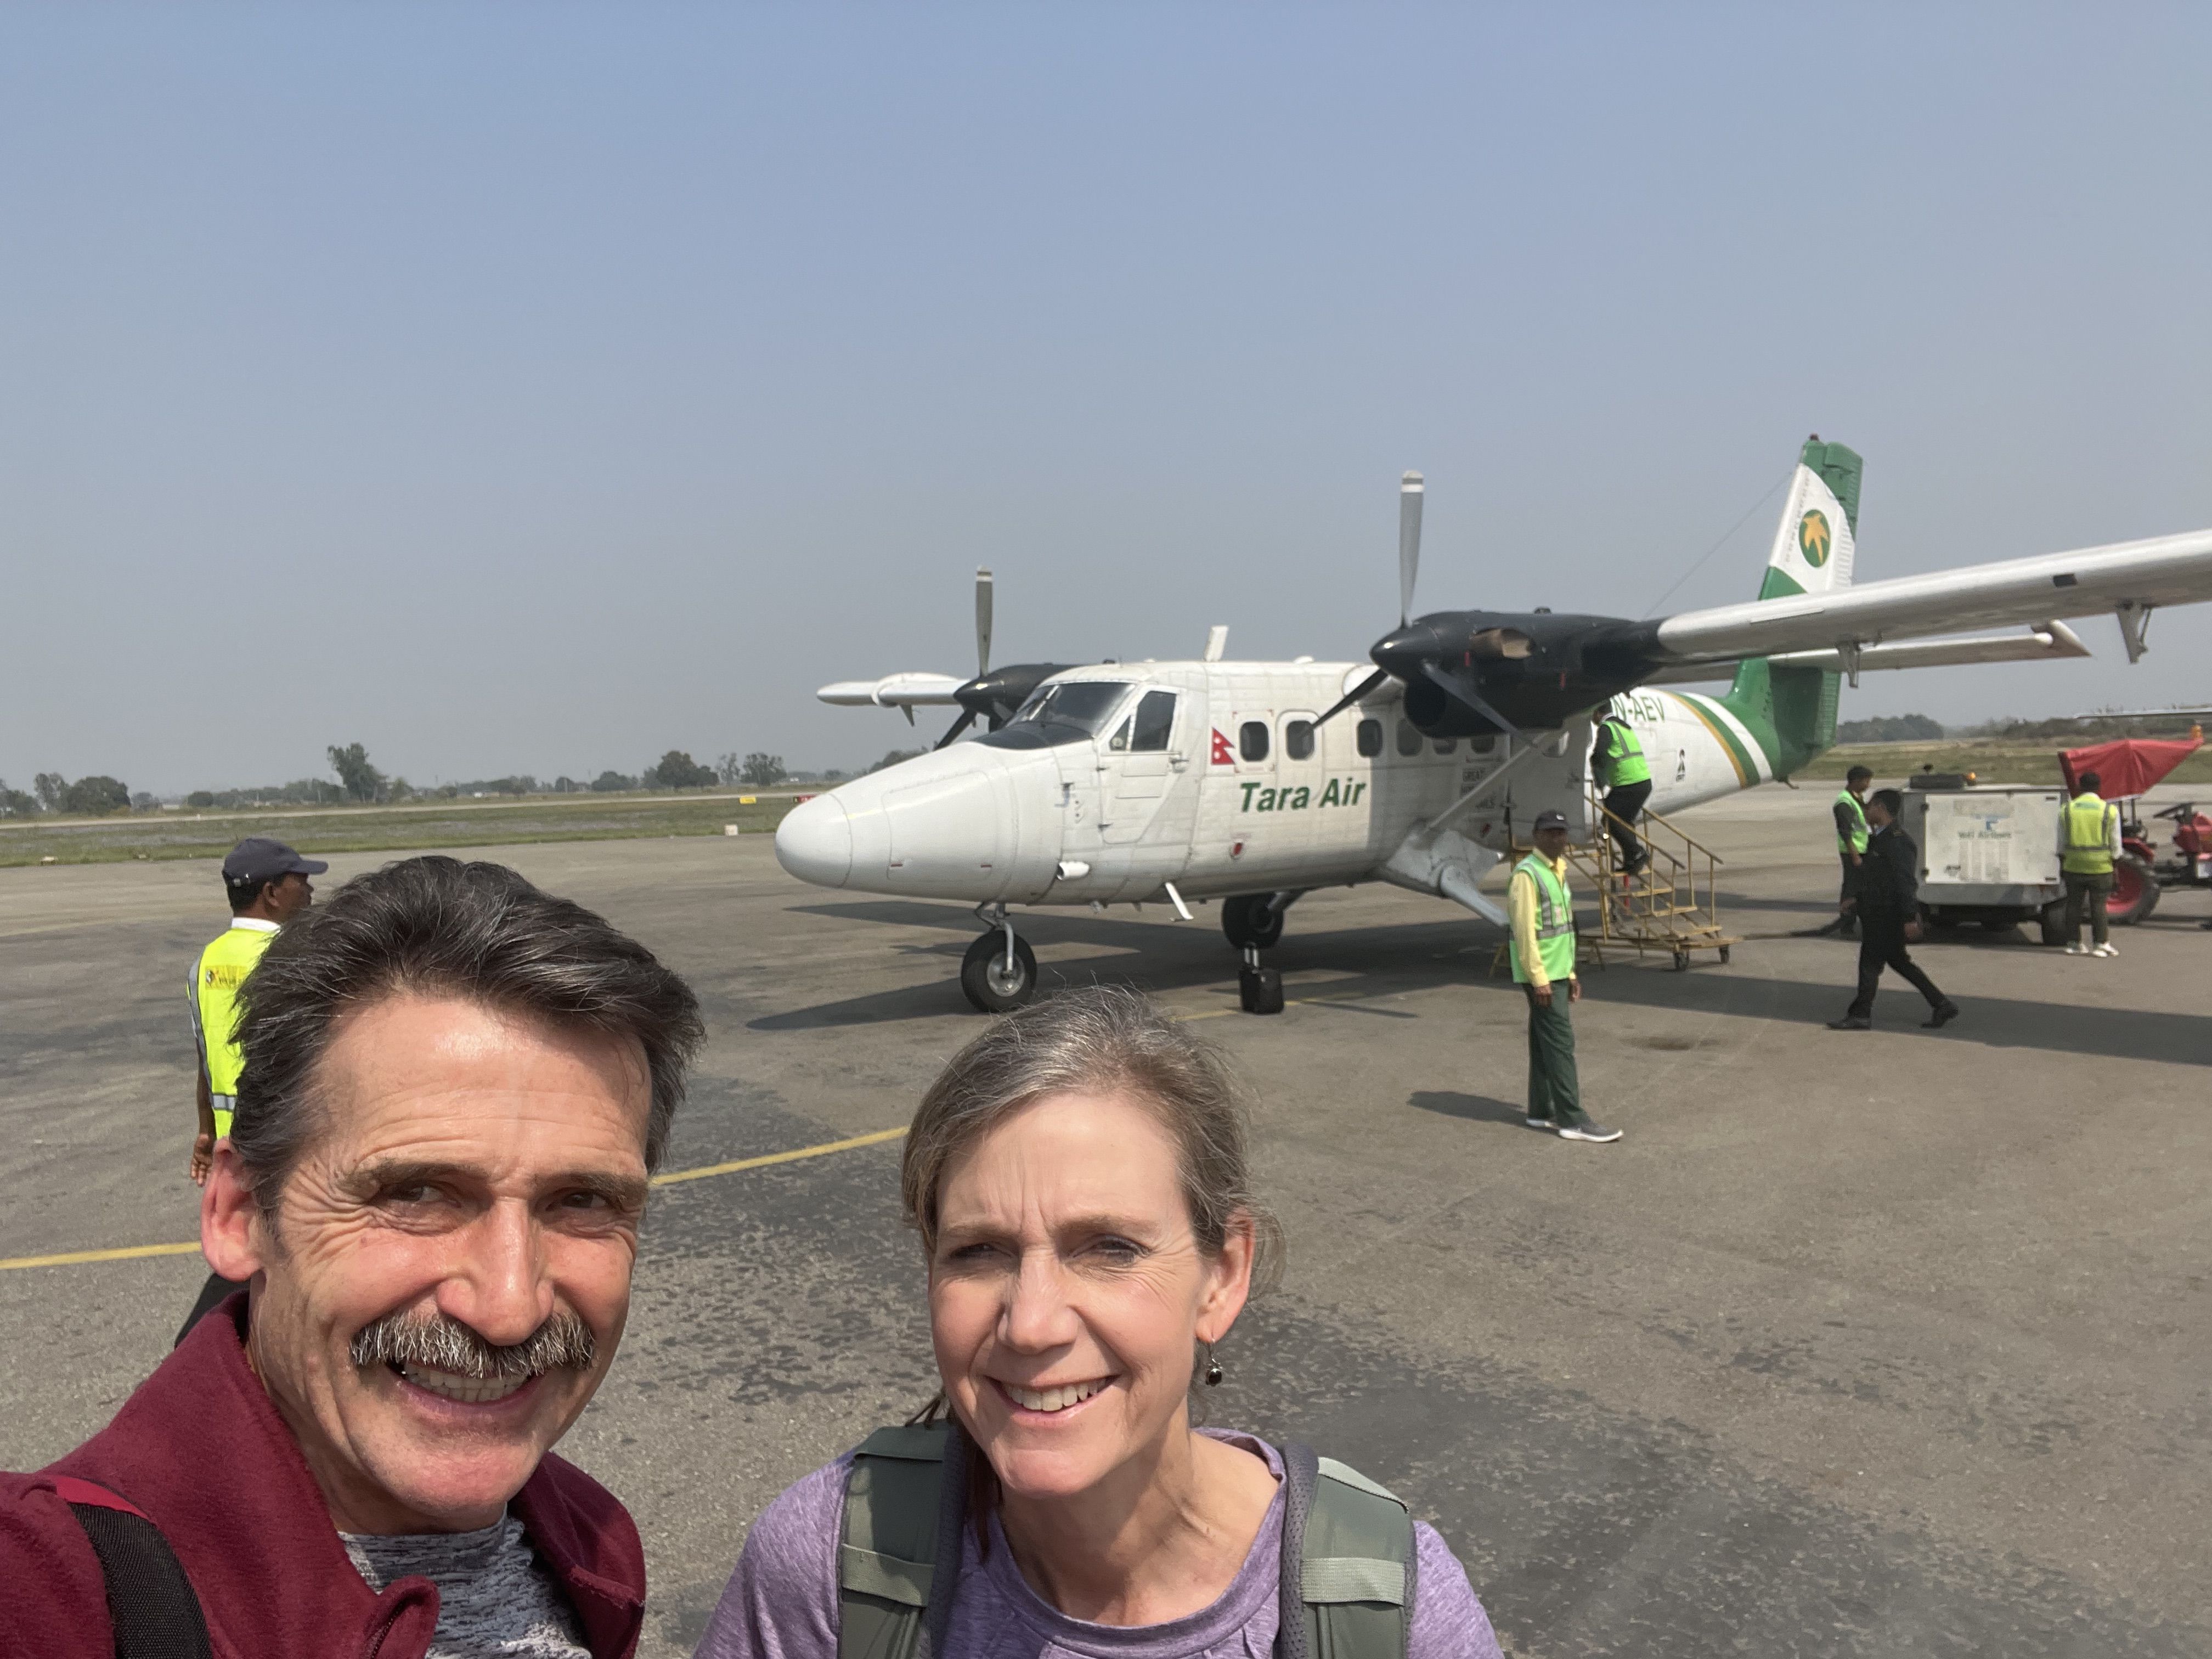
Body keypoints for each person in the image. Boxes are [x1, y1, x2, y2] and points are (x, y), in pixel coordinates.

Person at [2, 856, 703, 1659]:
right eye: (416, 1194)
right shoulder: (51, 1590)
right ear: (240, 1215)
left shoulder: (589, 1540)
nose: (511, 1308)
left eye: (582, 1201)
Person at [696, 986, 1503, 1658]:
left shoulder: (1391, 1614)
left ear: (1222, 1275)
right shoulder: (826, 1570)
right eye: (978, 1251)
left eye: (1110, 1247)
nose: (1032, 1323)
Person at [177, 836, 328, 1344]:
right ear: (271, 893)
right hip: (286, 1144)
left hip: (233, 1146)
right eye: (299, 882)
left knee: (262, 1261)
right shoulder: (294, 959)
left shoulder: (204, 965)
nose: (309, 891)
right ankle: (198, 1353)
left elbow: (205, 1058)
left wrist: (205, 1132)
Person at [1510, 809, 1621, 1143]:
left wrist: (1571, 972)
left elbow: (1563, 929)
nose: (1558, 838)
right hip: (1542, 975)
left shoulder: (1558, 870)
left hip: (1558, 971)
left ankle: (1540, 1110)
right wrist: (1539, 977)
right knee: (1560, 1045)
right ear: (1537, 835)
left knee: (1544, 1044)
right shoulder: (1527, 875)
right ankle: (1573, 1119)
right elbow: (1525, 932)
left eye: (1561, 832)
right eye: (1550, 833)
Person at [1828, 790, 1959, 1031]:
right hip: (1876, 911)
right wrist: (1856, 899)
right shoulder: (1880, 838)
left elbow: (1904, 882)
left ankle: (1861, 1015)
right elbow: (1876, 878)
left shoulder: (1898, 842)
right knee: (1898, 961)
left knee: (1869, 963)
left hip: (1887, 915)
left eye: (1869, 807)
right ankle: (1941, 1004)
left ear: (1880, 807)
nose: (1866, 812)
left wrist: (1910, 917)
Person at [2057, 769, 2121, 958]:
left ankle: (2073, 943)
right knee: (2098, 906)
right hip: (2100, 867)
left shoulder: (2067, 810)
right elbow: (2116, 843)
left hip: (2074, 865)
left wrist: (2063, 862)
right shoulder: (2109, 810)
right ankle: (2100, 944)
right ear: (2099, 787)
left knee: (2073, 905)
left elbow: (2060, 843)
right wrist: (2115, 862)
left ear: (2080, 787)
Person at [1813, 767, 1874, 940]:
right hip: (1852, 852)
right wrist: (1855, 855)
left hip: (1862, 849)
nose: (1868, 785)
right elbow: (1845, 831)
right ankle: (1847, 925)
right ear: (1856, 780)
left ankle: (1853, 920)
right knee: (1851, 888)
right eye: (1866, 781)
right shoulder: (1844, 803)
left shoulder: (1858, 798)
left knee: (1861, 887)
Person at [1591, 708, 1654, 874]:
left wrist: (1599, 774)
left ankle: (1638, 852)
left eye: (1593, 715)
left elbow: (1599, 753)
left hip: (1628, 783)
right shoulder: (1624, 726)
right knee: (1625, 822)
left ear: (1599, 713)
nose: (1593, 719)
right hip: (1643, 782)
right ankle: (1632, 861)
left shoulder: (1607, 727)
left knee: (1609, 821)